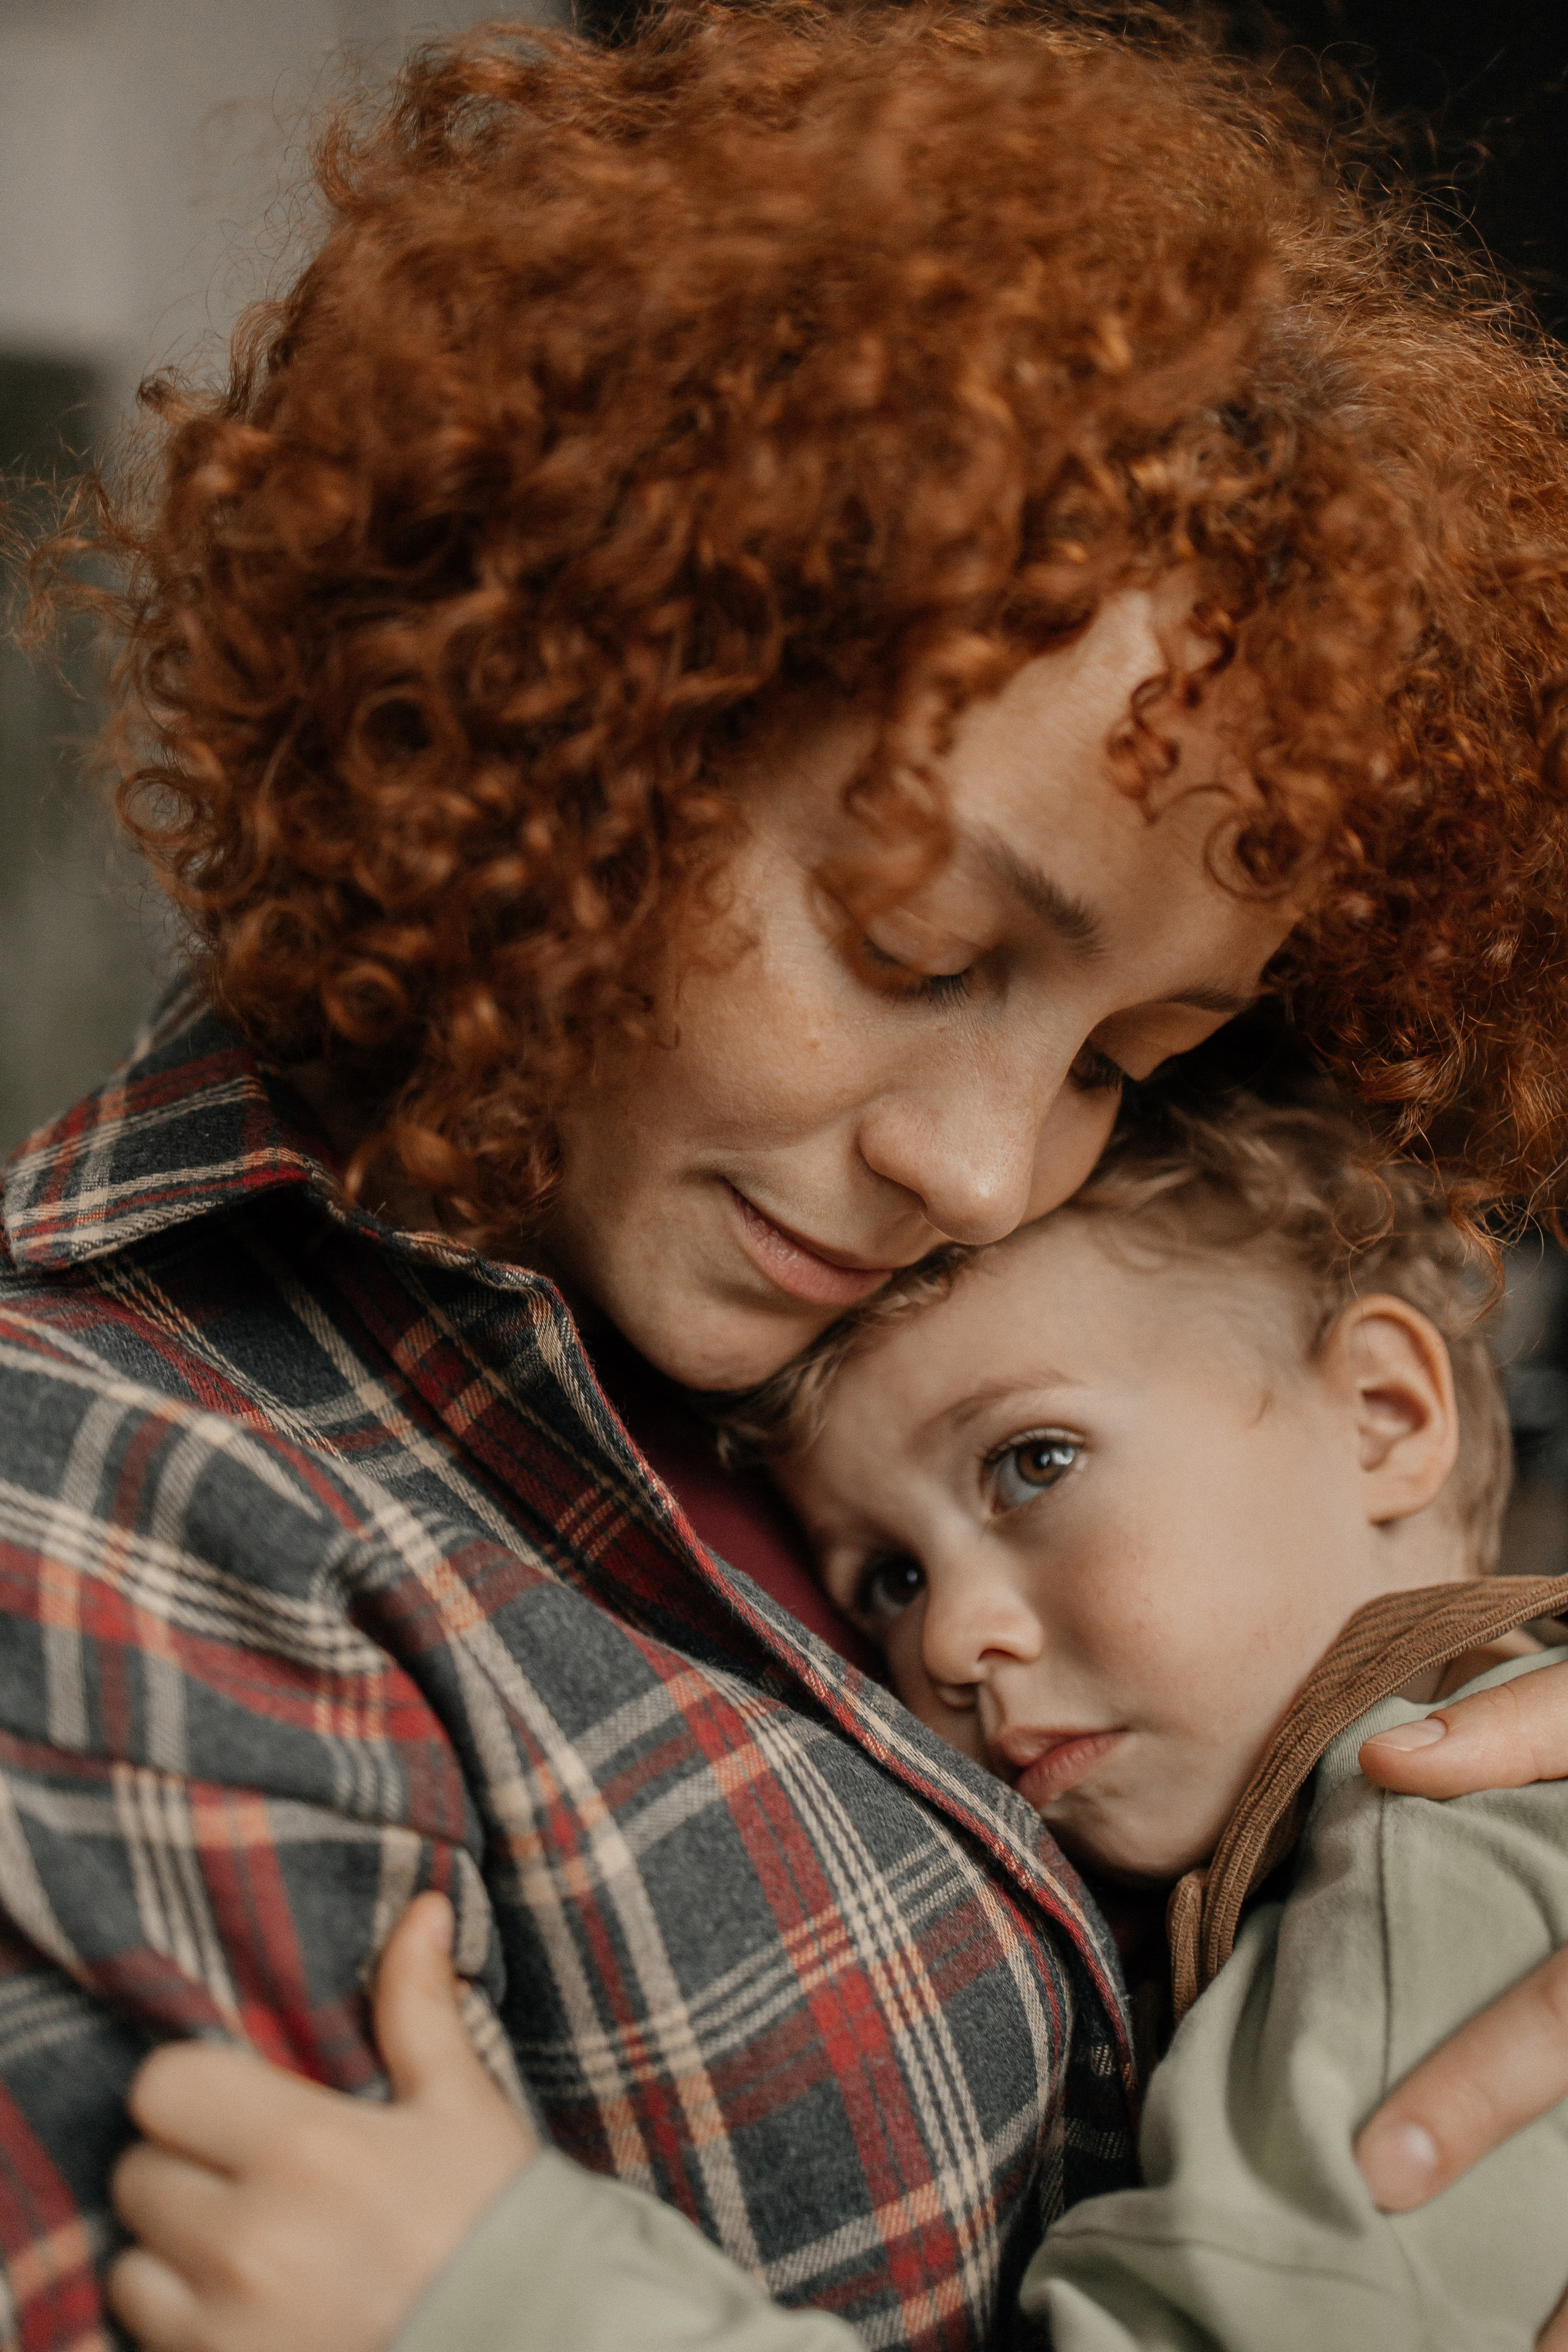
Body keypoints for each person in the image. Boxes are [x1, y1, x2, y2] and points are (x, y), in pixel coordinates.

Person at [10, 2, 1568, 2346]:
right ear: (585, 729)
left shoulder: (929, 1304)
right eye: (912, 944)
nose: (982, 1173)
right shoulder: (109, 1509)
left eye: (1123, 1058)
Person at [107, 1080, 1568, 2352]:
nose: (946, 1639)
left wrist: (508, 2298)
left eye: (1032, 1462)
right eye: (887, 1579)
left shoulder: (1429, 1855)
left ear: (1382, 1414)